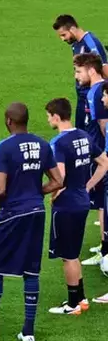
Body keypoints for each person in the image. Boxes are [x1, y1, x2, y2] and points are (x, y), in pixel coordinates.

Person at [0, 103, 62, 341]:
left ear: (9, 121)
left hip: (12, 214)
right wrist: (35, 192)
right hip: (37, 212)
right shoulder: (42, 144)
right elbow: (58, 180)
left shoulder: (4, 147)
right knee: (31, 270)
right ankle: (28, 332)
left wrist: (0, 201)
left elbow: (0, 189)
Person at [44, 98, 92, 314]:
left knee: (68, 255)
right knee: (74, 252)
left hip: (67, 206)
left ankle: (73, 304)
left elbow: (59, 178)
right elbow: (104, 162)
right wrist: (87, 185)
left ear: (55, 116)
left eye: (48, 116)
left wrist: (52, 194)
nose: (48, 120)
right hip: (81, 200)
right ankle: (81, 299)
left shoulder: (58, 143)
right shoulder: (84, 135)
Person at [72, 53, 108, 263]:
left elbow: (103, 126)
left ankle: (105, 251)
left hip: (100, 154)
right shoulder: (95, 91)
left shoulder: (97, 93)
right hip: (98, 152)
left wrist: (101, 154)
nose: (77, 76)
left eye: (79, 71)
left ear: (91, 70)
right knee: (102, 201)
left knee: (103, 201)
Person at [52, 14, 107, 130]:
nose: (63, 39)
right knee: (81, 130)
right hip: (82, 97)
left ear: (72, 29)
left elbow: (104, 68)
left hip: (92, 96)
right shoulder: (75, 44)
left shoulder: (91, 42)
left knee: (96, 131)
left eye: (63, 35)